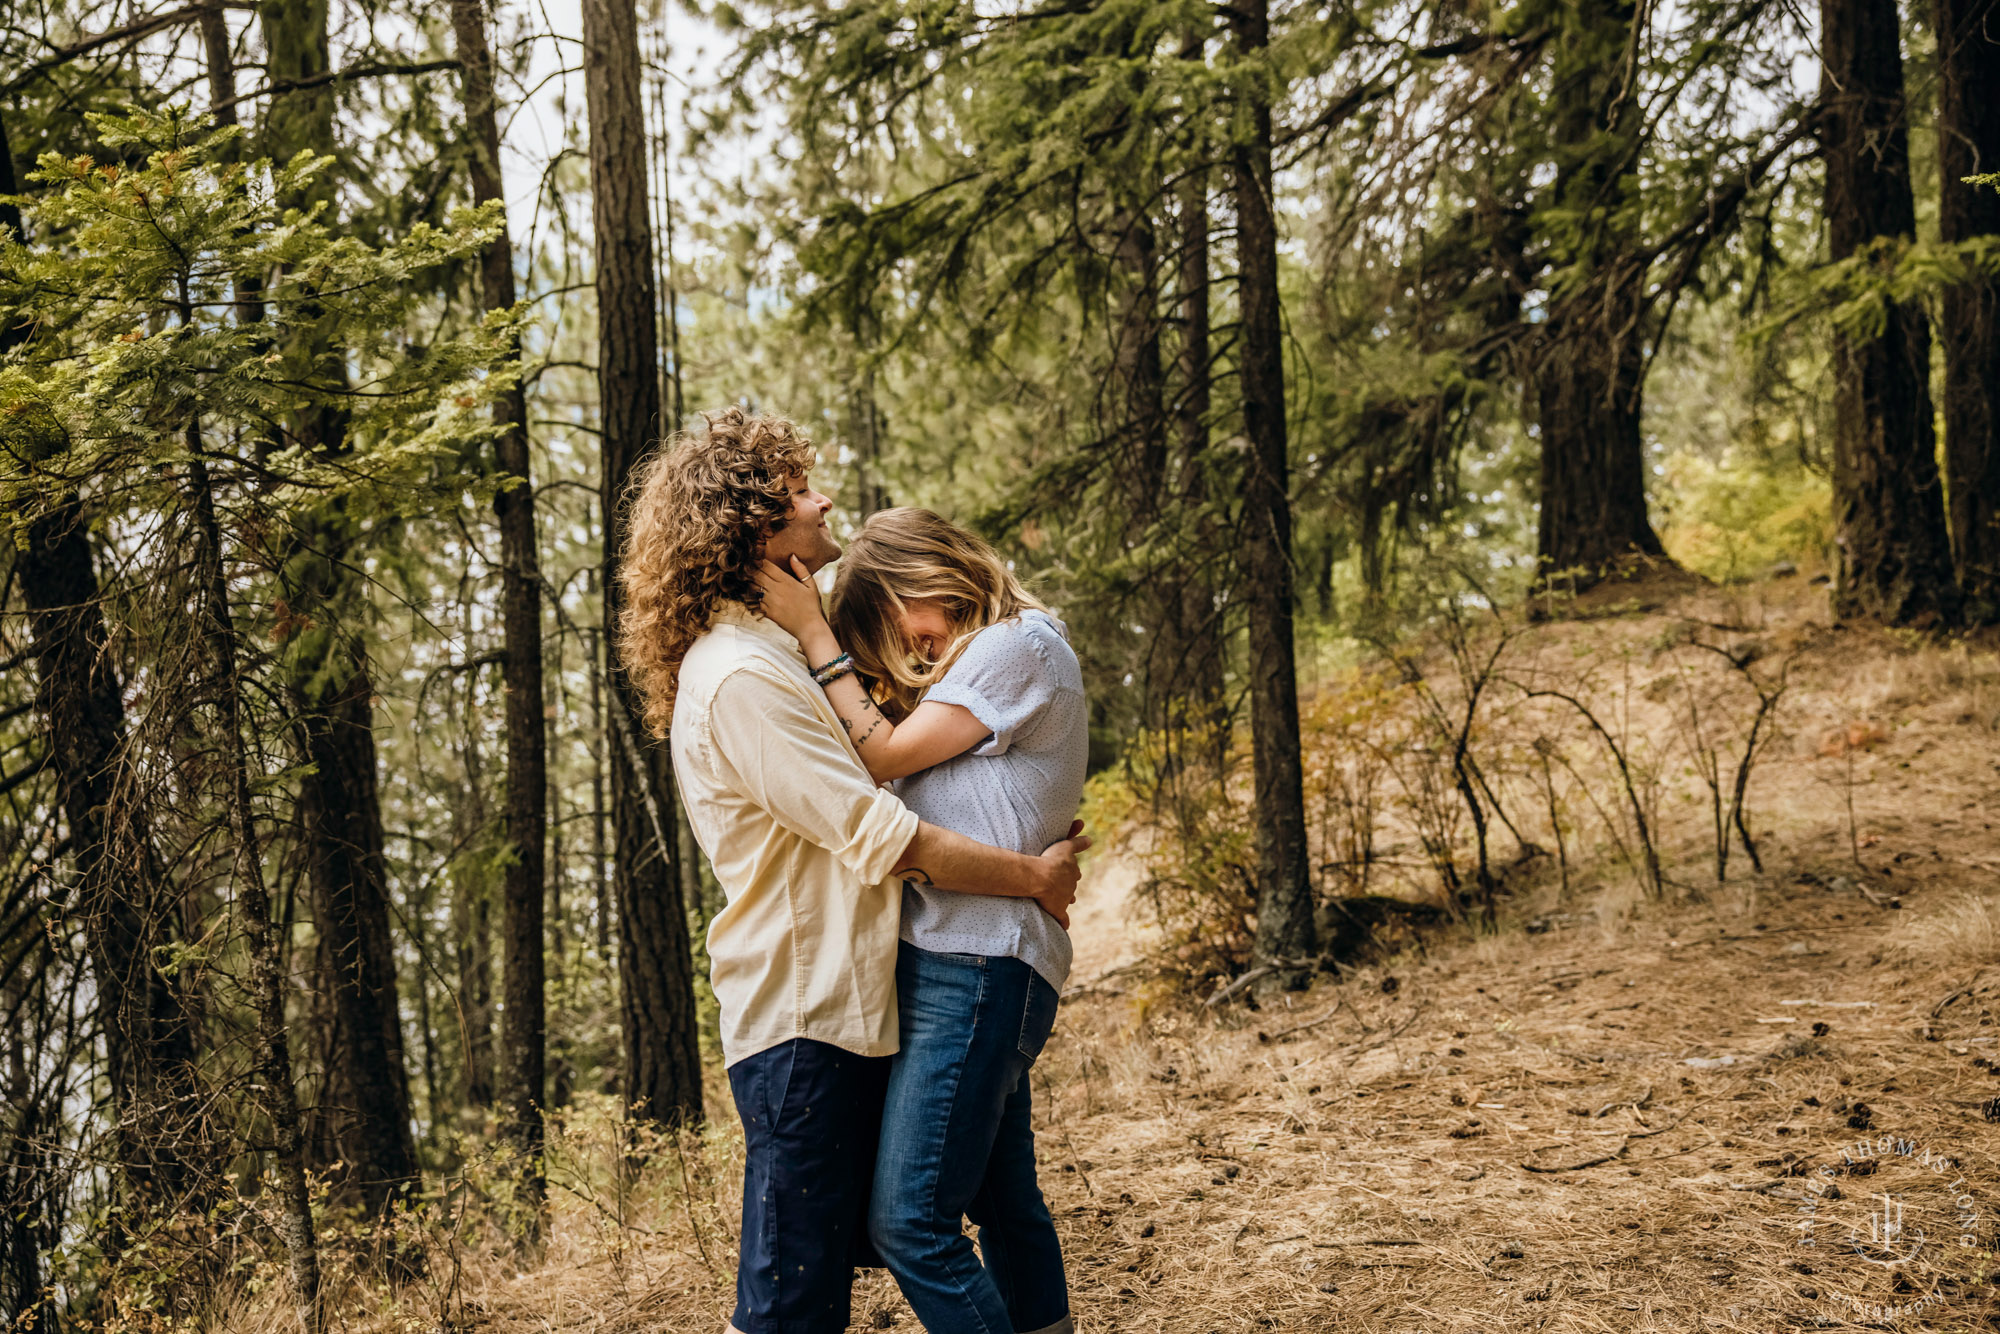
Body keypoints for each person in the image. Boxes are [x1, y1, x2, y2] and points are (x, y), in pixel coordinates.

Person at [615, 409, 1091, 1334]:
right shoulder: (746, 676)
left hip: (887, 988)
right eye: (797, 491)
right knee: (802, 1294)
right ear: (751, 528)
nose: (821, 497)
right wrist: (1034, 876)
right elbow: (884, 827)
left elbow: (896, 766)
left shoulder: (787, 656)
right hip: (808, 1012)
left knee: (907, 1235)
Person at [752, 506, 1086, 1334]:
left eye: (897, 627)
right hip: (973, 959)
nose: (916, 652)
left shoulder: (1022, 641)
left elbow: (883, 756)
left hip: (977, 965)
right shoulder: (982, 674)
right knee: (1003, 1202)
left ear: (926, 578)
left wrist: (812, 631)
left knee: (910, 1223)